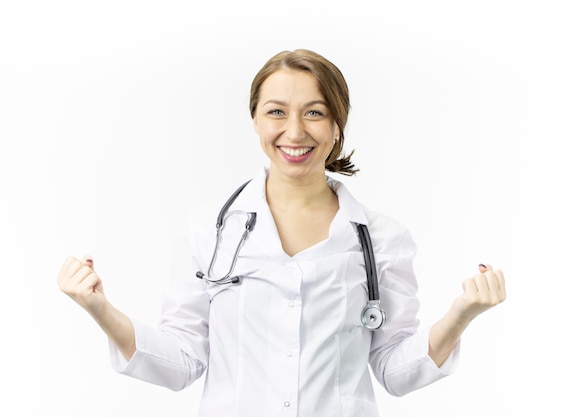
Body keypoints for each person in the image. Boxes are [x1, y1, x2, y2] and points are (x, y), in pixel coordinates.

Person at [57, 49, 506, 416]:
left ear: (336, 126)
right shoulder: (207, 230)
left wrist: (461, 314)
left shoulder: (382, 238)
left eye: (314, 112)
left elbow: (395, 371)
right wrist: (100, 308)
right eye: (277, 112)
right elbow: (180, 363)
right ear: (255, 119)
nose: (295, 131)